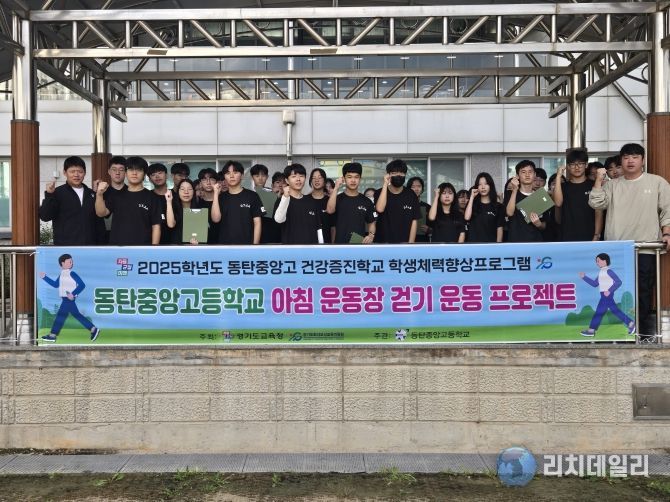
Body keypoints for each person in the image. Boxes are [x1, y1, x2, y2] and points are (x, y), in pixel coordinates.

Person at [589, 143, 670, 335]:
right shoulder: (612, 185)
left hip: (646, 247)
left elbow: (667, 210)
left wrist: (666, 233)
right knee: (616, 292)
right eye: (626, 157)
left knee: (643, 290)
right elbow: (596, 203)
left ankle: (642, 332)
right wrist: (599, 180)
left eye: (635, 157)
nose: (630, 161)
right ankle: (618, 332)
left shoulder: (657, 182)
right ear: (621, 161)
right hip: (617, 250)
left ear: (643, 160)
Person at [95, 156, 162, 245]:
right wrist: (99, 194)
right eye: (131, 169)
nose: (134, 173)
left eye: (139, 170)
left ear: (144, 174)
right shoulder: (116, 195)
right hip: (117, 247)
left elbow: (156, 226)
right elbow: (101, 213)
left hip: (143, 247)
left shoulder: (152, 198)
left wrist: (153, 249)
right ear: (126, 173)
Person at [38, 156, 104, 245]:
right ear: (65, 173)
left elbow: (99, 224)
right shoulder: (57, 193)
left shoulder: (91, 194)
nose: (76, 175)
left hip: (90, 247)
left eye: (80, 171)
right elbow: (45, 216)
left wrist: (102, 246)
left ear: (84, 173)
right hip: (65, 248)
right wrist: (49, 195)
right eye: (72, 171)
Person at [39, 253, 100, 343]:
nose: (72, 263)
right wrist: (45, 277)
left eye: (72, 262)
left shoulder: (72, 273)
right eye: (69, 262)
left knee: (61, 316)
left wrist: (73, 294)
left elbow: (82, 285)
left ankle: (53, 335)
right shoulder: (62, 274)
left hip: (68, 299)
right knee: (75, 315)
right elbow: (55, 285)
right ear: (62, 263)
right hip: (65, 299)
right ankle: (93, 329)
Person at [578, 253, 635, 337]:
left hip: (607, 295)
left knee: (601, 312)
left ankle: (591, 330)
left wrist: (609, 290)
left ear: (604, 261)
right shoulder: (601, 272)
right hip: (604, 295)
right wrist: (584, 277)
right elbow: (595, 284)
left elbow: (618, 282)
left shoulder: (608, 271)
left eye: (598, 261)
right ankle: (630, 323)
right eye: (596, 261)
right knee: (611, 311)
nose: (597, 263)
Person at [553, 148, 603, 242]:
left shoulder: (593, 185)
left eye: (580, 163)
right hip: (567, 236)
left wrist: (597, 235)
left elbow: (598, 212)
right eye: (572, 164)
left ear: (586, 165)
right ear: (568, 166)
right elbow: (558, 203)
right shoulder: (563, 187)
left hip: (590, 236)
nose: (577, 167)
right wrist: (558, 176)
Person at [211, 161, 263, 244]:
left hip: (247, 246)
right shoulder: (221, 197)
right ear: (224, 177)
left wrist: (255, 246)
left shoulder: (252, 196)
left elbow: (257, 223)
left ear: (242, 175)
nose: (231, 176)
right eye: (228, 173)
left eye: (235, 172)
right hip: (225, 246)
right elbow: (216, 219)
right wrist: (216, 194)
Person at [326, 162, 376, 244]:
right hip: (339, 245)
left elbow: (371, 223)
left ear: (360, 179)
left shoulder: (366, 201)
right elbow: (330, 210)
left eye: (356, 177)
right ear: (344, 179)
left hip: (359, 245)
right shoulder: (337, 199)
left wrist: (371, 235)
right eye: (349, 177)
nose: (353, 180)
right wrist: (336, 187)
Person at [374, 159, 421, 243]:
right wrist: (385, 183)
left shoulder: (411, 195)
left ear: (405, 175)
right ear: (388, 175)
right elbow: (380, 209)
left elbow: (414, 221)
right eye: (394, 173)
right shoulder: (379, 192)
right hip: (382, 243)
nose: (398, 175)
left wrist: (410, 244)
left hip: (404, 243)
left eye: (401, 173)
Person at [274, 164, 322, 244]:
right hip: (290, 249)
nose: (298, 179)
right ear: (287, 180)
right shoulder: (282, 201)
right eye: (294, 176)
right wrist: (285, 197)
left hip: (311, 250)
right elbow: (279, 220)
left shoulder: (311, 201)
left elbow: (319, 229)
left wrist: (321, 247)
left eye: (301, 176)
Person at [504, 160, 545, 242]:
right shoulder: (510, 194)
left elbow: (545, 225)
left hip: (536, 242)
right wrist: (515, 190)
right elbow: (509, 213)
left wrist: (539, 224)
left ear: (534, 175)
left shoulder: (541, 196)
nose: (527, 175)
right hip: (515, 242)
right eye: (523, 172)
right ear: (517, 176)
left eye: (530, 172)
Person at [464, 172, 504, 243]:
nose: (483, 187)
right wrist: (472, 197)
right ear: (477, 187)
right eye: (480, 184)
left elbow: (499, 228)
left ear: (490, 186)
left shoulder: (498, 206)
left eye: (486, 184)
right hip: (473, 245)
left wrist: (498, 246)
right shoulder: (472, 204)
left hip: (491, 245)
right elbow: (467, 217)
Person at [99, 156, 128, 243]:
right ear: (109, 171)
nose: (117, 173)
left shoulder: (131, 192)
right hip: (104, 238)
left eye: (121, 170)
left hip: (127, 237)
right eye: (114, 169)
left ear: (126, 172)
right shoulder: (102, 192)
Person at [165, 179, 200, 245]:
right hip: (176, 247)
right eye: (182, 189)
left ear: (194, 192)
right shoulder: (173, 208)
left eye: (189, 189)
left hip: (193, 248)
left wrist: (197, 241)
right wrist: (169, 201)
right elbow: (171, 224)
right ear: (178, 192)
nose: (186, 192)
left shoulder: (199, 210)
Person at [148, 163, 170, 244]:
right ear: (149, 179)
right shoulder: (147, 197)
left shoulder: (175, 196)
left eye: (160, 173)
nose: (157, 176)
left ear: (166, 175)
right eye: (153, 174)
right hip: (151, 243)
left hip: (174, 243)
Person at [197, 168, 219, 244]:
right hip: (202, 244)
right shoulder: (197, 202)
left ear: (216, 182)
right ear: (200, 183)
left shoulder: (223, 200)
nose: (208, 182)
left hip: (222, 243)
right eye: (204, 180)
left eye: (211, 179)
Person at [309, 168, 332, 239]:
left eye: (320, 177)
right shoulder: (305, 200)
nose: (317, 180)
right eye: (314, 178)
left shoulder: (330, 201)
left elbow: (333, 227)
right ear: (311, 181)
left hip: (327, 243)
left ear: (324, 181)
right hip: (309, 242)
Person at [407, 176, 431, 242]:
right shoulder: (404, 205)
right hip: (406, 240)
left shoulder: (428, 207)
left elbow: (435, 227)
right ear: (408, 189)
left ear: (422, 189)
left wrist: (429, 229)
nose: (416, 189)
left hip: (423, 241)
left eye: (419, 186)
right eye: (413, 187)